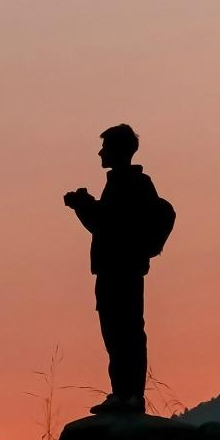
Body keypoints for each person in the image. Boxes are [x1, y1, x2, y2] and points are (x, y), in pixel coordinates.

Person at [64, 123, 161, 415]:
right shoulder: (126, 184)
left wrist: (82, 206)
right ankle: (122, 393)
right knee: (116, 332)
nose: (100, 152)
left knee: (126, 331)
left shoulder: (130, 185)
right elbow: (106, 223)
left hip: (122, 270)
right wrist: (86, 206)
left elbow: (108, 226)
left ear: (117, 151)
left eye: (105, 147)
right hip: (114, 270)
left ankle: (130, 395)